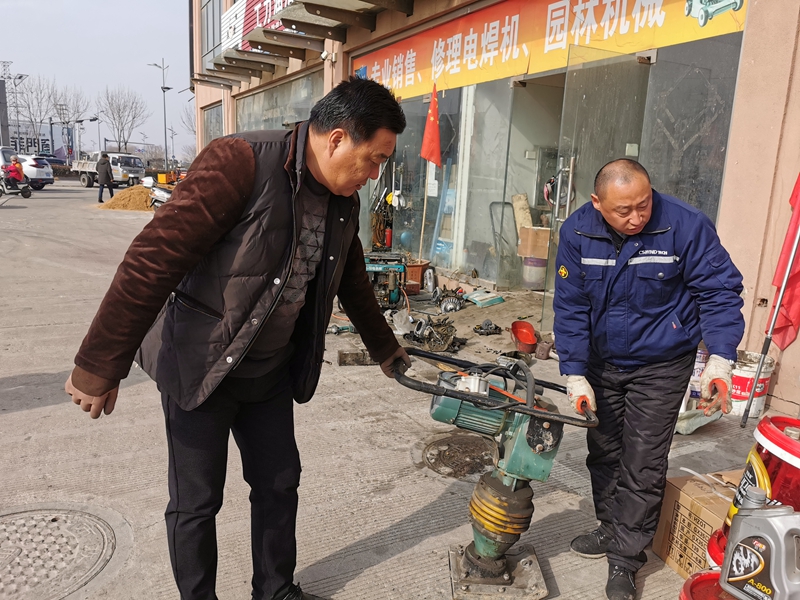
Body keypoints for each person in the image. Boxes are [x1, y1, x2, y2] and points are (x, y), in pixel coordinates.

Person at [63, 77, 411, 600]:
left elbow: (353, 279)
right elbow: (152, 261)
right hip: (201, 367)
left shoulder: (343, 201)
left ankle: (274, 590)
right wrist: (99, 364)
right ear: (338, 139)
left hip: (268, 372)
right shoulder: (241, 161)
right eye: (375, 159)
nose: (375, 173)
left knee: (279, 483)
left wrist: (384, 347)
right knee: (197, 502)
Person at [553, 159, 744, 600]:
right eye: (624, 210)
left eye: (644, 204)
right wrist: (575, 373)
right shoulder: (577, 232)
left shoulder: (685, 226)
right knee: (604, 451)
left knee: (643, 463)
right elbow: (571, 305)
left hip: (662, 363)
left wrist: (720, 360)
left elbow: (718, 292)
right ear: (597, 202)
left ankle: (625, 558)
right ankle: (610, 527)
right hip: (601, 362)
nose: (637, 217)